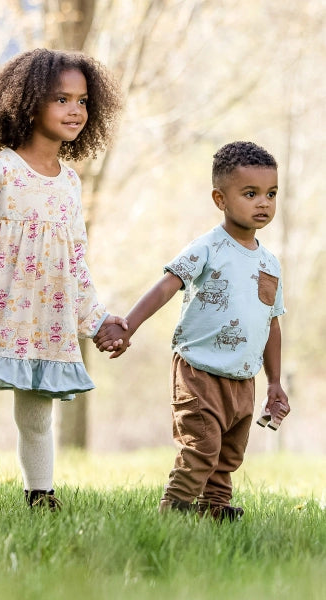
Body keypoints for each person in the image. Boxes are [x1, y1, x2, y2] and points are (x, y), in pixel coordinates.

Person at [0, 48, 125, 511]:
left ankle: (41, 495)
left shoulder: (70, 182)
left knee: (37, 412)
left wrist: (98, 320)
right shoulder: (2, 168)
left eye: (83, 101)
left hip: (44, 316)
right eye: (61, 99)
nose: (75, 110)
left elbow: (76, 261)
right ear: (26, 103)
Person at [95, 141, 290, 521]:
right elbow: (167, 285)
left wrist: (275, 381)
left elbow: (271, 322)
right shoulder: (208, 248)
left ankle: (215, 509)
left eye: (271, 194)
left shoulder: (270, 262)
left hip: (243, 378)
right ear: (220, 198)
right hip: (199, 370)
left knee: (229, 453)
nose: (263, 203)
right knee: (201, 447)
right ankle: (173, 512)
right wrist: (128, 326)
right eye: (250, 194)